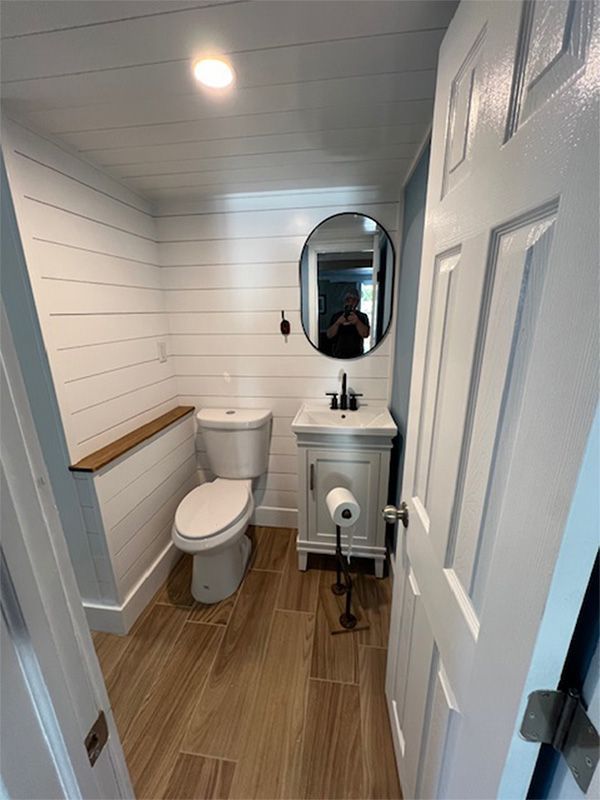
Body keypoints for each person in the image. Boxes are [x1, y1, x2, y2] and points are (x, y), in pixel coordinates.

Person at [326, 288, 370, 358]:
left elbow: (365, 334)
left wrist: (357, 322)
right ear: (344, 300)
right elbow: (329, 335)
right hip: (338, 355)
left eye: (354, 299)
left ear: (357, 302)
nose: (351, 302)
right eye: (348, 299)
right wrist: (338, 323)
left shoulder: (362, 316)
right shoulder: (336, 316)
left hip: (357, 356)